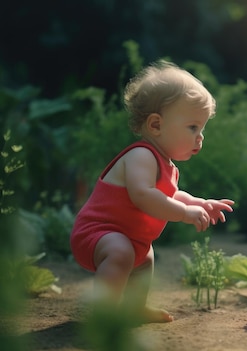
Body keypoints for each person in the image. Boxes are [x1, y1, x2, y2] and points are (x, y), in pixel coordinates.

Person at [70, 60, 234, 323]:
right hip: (97, 233)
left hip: (128, 238)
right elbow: (144, 196)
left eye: (202, 129)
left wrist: (201, 204)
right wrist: (183, 213)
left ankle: (135, 308)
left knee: (144, 259)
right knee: (121, 252)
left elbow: (171, 196)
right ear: (156, 125)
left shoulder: (167, 166)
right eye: (193, 127)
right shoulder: (141, 156)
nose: (200, 136)